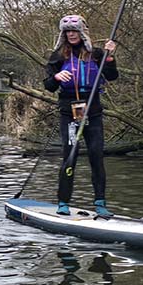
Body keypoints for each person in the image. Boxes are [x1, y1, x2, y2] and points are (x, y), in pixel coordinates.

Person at [43, 14, 118, 217]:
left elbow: (112, 75)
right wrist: (56, 77)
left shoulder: (97, 54)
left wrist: (110, 57)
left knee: (96, 155)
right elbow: (49, 85)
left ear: (82, 32)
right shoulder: (58, 56)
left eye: (74, 31)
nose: (71, 35)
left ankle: (100, 203)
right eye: (67, 32)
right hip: (69, 114)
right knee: (70, 155)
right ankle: (63, 202)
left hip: (93, 113)